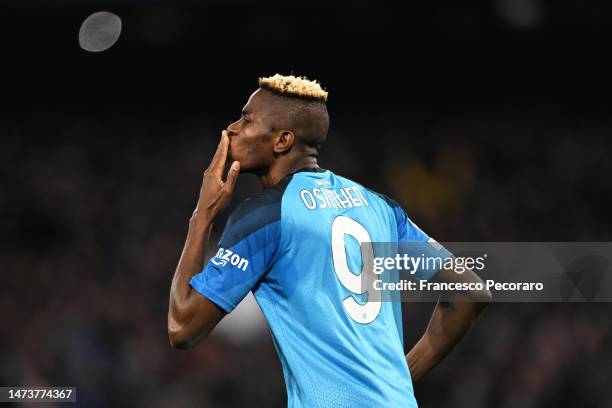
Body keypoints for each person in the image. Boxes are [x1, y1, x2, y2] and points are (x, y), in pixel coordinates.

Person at [168, 74, 491, 407]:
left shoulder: (267, 216)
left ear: (282, 141)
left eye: (247, 120)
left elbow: (183, 327)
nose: (232, 128)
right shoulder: (378, 206)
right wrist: (398, 381)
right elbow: (469, 289)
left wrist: (202, 215)